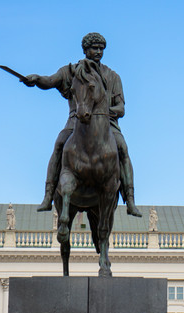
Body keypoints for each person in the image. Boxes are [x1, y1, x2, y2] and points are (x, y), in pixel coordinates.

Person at [22, 32, 141, 217]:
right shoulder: (70, 71)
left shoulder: (112, 76)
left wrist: (104, 113)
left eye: (102, 49)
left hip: (107, 125)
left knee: (123, 149)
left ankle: (130, 199)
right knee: (60, 144)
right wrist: (36, 79)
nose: (98, 52)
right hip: (75, 122)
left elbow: (121, 108)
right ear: (85, 50)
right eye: (94, 48)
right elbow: (50, 81)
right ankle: (47, 196)